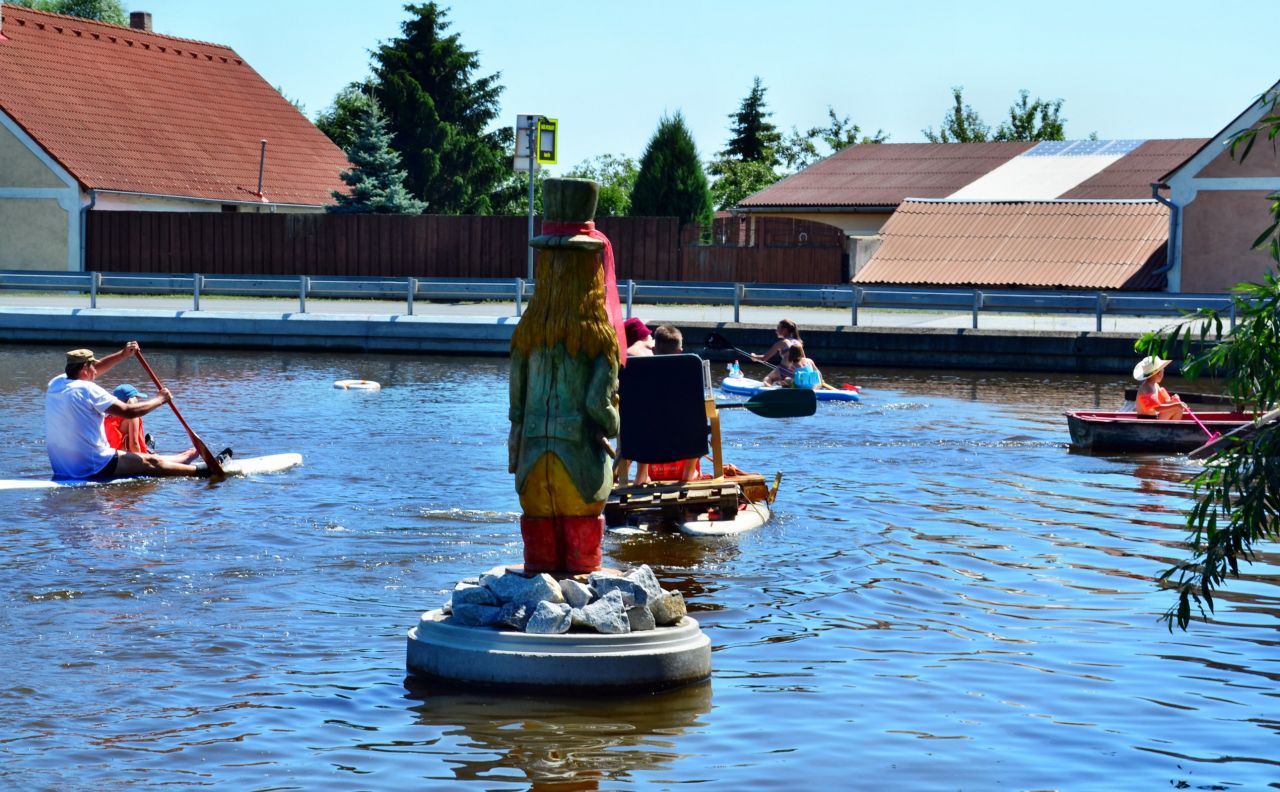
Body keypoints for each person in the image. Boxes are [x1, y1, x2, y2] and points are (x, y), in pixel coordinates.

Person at [45, 343, 225, 480]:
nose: (96, 370)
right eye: (92, 366)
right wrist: (160, 399)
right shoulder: (87, 389)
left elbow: (95, 370)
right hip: (95, 466)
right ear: (85, 369)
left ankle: (184, 458)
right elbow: (129, 411)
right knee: (150, 462)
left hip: (63, 467)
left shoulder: (56, 383)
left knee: (143, 458)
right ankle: (202, 472)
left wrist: (123, 355)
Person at [633, 325, 702, 485]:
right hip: (680, 437)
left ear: (653, 349)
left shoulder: (640, 374)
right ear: (680, 351)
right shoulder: (688, 375)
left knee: (641, 419)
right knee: (698, 417)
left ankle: (641, 474)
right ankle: (688, 472)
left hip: (649, 437)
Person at [1133, 355, 1185, 420]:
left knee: (1178, 408)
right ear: (1159, 373)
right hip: (1146, 419)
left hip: (1155, 417)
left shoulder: (1155, 385)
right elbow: (1157, 408)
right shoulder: (1147, 388)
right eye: (1163, 371)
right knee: (1178, 408)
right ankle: (1173, 426)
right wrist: (1177, 405)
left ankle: (1172, 425)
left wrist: (1173, 401)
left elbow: (1163, 403)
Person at [752, 319, 801, 385]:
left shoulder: (782, 343)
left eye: (778, 327)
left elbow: (764, 358)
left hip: (784, 369)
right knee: (785, 381)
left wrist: (754, 357)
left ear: (785, 330)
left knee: (768, 379)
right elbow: (804, 359)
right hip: (797, 371)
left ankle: (769, 389)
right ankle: (787, 383)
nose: (776, 330)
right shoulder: (798, 343)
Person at [104, 384, 150, 454]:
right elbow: (134, 444)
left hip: (110, 456)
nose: (138, 399)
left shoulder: (107, 418)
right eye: (136, 397)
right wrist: (141, 459)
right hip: (125, 457)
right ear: (132, 399)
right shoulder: (132, 416)